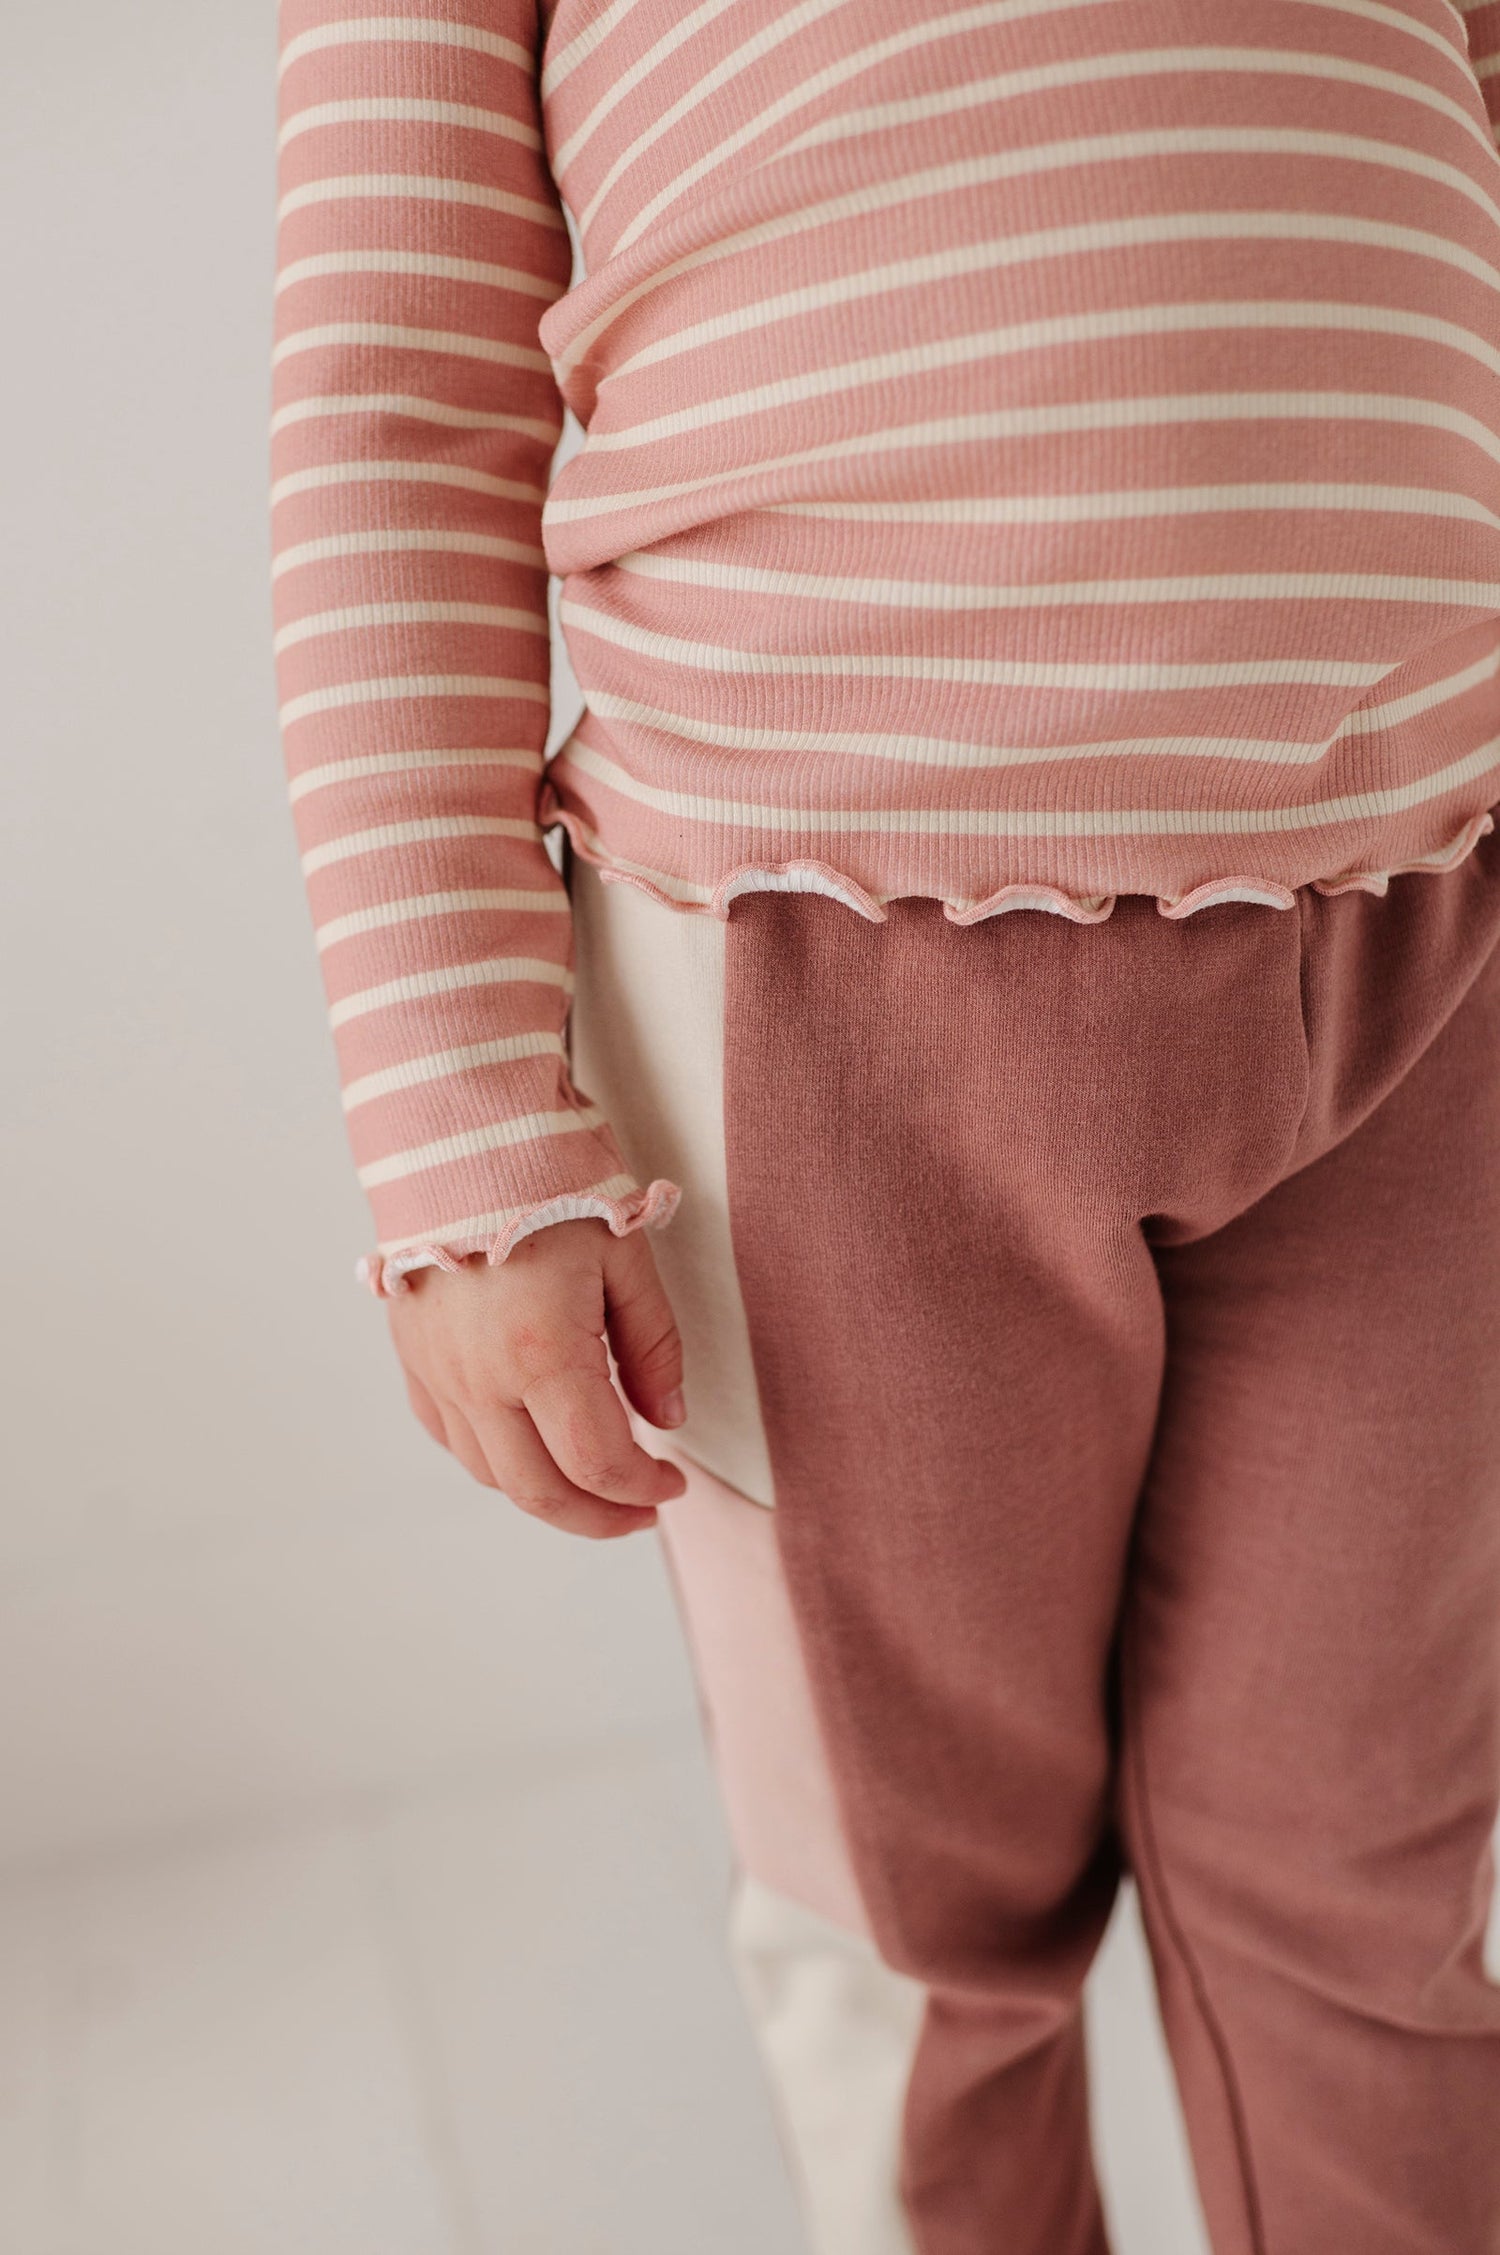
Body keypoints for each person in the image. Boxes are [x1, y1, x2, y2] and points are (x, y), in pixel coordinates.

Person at [270, 2, 1500, 2246]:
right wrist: (460, 1121)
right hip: (822, 1006)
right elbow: (392, 399)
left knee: (1368, 1899)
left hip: (1438, 943)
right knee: (919, 1928)